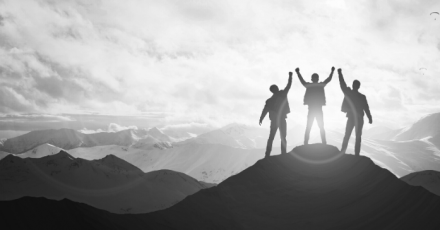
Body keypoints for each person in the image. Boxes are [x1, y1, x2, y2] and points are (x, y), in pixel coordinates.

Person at [338, 68, 372, 156]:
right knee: (357, 137)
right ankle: (356, 155)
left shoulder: (349, 93)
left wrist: (339, 73)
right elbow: (366, 108)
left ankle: (343, 152)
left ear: (353, 85)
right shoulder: (361, 96)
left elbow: (342, 84)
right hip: (359, 119)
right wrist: (369, 117)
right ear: (358, 86)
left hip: (353, 118)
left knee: (348, 135)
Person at [296, 67, 334, 145]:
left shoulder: (309, 85)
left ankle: (306, 143)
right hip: (318, 109)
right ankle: (324, 143)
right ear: (317, 78)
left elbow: (302, 81)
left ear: (312, 79)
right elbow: (328, 79)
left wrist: (298, 72)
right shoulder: (320, 85)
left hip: (312, 109)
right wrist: (332, 71)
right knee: (320, 127)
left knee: (309, 127)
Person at [259, 72, 292, 158]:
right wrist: (290, 76)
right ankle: (283, 153)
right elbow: (289, 85)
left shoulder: (269, 101)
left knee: (271, 137)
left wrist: (261, 119)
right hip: (281, 119)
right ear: (276, 89)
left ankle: (267, 154)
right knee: (283, 137)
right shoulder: (283, 94)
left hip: (274, 121)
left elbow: (265, 111)